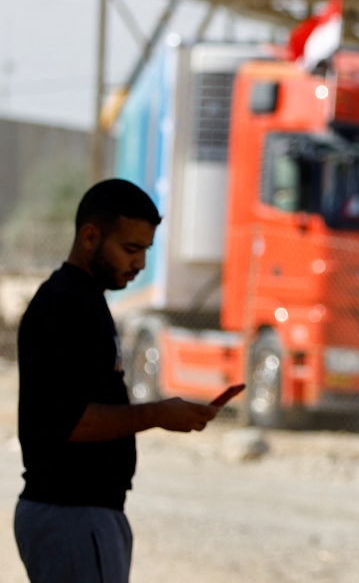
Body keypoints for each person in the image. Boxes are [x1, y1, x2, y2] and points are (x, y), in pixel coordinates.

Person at [15, 179, 221, 583]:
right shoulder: (63, 305)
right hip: (71, 515)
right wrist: (160, 413)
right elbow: (70, 422)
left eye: (146, 250)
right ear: (90, 235)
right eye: (131, 249)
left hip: (86, 516)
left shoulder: (86, 300)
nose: (140, 263)